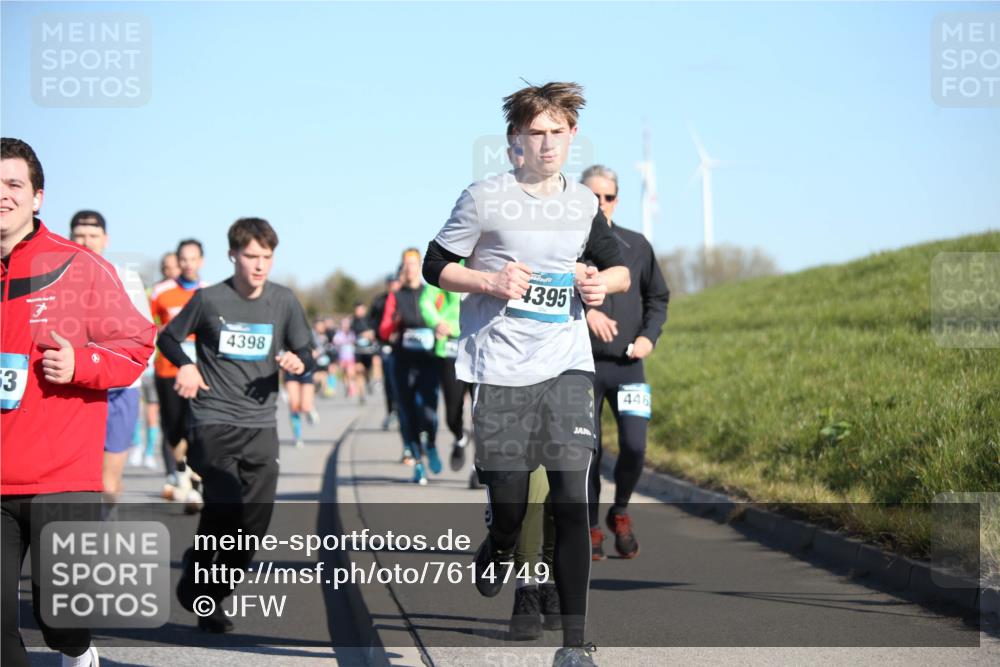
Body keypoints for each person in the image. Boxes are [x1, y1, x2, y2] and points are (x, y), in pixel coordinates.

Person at [423, 82, 629, 666]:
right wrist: (488, 281)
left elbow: (618, 268)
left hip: (566, 364)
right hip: (500, 367)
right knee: (512, 501)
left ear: (572, 135)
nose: (547, 144)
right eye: (535, 133)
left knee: (570, 498)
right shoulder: (484, 198)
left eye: (557, 132)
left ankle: (574, 646)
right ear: (514, 139)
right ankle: (501, 541)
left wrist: (600, 285)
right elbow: (436, 265)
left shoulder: (583, 204)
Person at [1, 137, 156, 667]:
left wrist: (82, 364)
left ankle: (78, 651)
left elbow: (136, 345)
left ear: (37, 197)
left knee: (60, 620)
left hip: (61, 476)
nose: (2, 195)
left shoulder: (77, 266)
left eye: (13, 184)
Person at [160, 217, 314, 633]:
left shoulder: (283, 301)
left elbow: (306, 352)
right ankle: (206, 597)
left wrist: (299, 362)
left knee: (253, 525)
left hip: (261, 425)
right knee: (226, 507)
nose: (260, 265)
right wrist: (186, 365)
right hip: (213, 420)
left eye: (267, 256)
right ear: (233, 255)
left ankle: (206, 583)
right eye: (251, 256)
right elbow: (168, 338)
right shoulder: (209, 299)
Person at [581, 165, 669, 560]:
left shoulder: (637, 245)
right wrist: (586, 313)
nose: (601, 203)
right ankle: (590, 527)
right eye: (592, 196)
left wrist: (649, 337)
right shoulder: (566, 247)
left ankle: (619, 511)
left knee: (635, 446)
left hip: (629, 366)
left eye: (608, 196)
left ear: (617, 200)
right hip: (582, 366)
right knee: (588, 452)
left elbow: (658, 298)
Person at [68, 210, 154, 505]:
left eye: (93, 236)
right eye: (80, 236)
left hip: (120, 391)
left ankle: (106, 522)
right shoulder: (56, 279)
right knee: (78, 480)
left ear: (105, 239)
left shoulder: (127, 279)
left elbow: (143, 336)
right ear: (69, 238)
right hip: (76, 388)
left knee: (108, 483)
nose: (86, 242)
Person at [150, 239, 207, 505]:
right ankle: (181, 473)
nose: (188, 264)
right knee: (174, 429)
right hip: (168, 370)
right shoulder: (161, 292)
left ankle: (194, 481)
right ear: (177, 261)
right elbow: (144, 325)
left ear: (201, 261)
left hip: (201, 372)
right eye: (183, 259)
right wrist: (162, 332)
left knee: (198, 426)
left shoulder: (209, 292)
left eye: (193, 259)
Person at [380, 248, 442, 484]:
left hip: (428, 360)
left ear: (420, 266)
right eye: (406, 263)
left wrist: (442, 328)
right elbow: (383, 331)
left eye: (414, 263)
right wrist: (394, 323)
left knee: (429, 413)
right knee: (408, 414)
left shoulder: (432, 293)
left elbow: (445, 316)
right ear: (402, 268)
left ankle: (432, 444)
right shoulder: (395, 296)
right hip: (403, 362)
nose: (410, 267)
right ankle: (417, 463)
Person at [131, 251, 179, 469]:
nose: (170, 271)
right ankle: (137, 445)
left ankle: (149, 451)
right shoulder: (153, 292)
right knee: (136, 409)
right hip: (146, 360)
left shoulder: (189, 293)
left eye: (173, 266)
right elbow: (142, 322)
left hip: (164, 364)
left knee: (153, 412)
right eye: (166, 267)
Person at [419, 282, 473, 471]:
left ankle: (478, 468)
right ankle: (460, 437)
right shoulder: (453, 266)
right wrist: (436, 321)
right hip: (450, 348)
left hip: (481, 345)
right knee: (452, 415)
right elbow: (426, 300)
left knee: (482, 414)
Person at [370, 273, 400, 429]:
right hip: (386, 345)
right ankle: (391, 412)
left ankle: (404, 412)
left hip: (403, 345)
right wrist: (375, 334)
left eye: (395, 282)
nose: (393, 285)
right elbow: (372, 321)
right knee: (389, 380)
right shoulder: (379, 301)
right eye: (390, 283)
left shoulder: (403, 298)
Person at [350, 301, 377, 399]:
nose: (359, 311)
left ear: (364, 309)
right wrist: (365, 334)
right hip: (358, 351)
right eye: (357, 310)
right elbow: (355, 333)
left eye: (360, 309)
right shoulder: (353, 321)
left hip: (369, 351)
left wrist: (370, 334)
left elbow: (374, 332)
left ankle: (368, 381)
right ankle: (361, 394)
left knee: (367, 370)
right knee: (359, 371)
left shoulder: (370, 320)